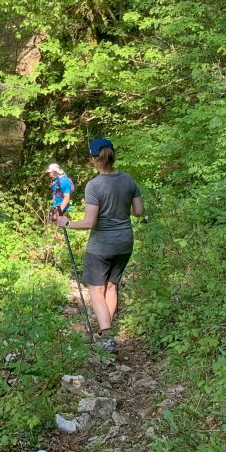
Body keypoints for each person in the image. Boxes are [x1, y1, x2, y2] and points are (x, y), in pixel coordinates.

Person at [60, 138, 143, 353]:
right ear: (112, 156)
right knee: (111, 286)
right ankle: (107, 332)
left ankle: (106, 337)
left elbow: (89, 222)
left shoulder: (94, 185)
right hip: (125, 242)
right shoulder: (128, 179)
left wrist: (66, 223)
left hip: (101, 245)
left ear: (93, 159)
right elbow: (138, 211)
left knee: (96, 290)